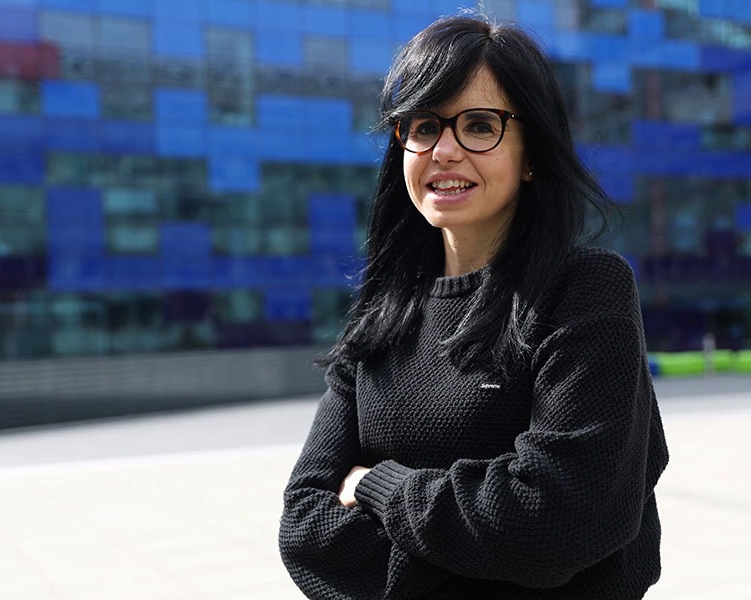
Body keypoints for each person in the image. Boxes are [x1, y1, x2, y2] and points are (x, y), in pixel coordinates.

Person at [279, 13, 668, 600]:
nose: (445, 151)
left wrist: (380, 487)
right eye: (424, 125)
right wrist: (485, 552)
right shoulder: (382, 316)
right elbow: (305, 528)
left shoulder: (583, 293)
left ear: (531, 153)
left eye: (480, 126)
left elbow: (555, 519)